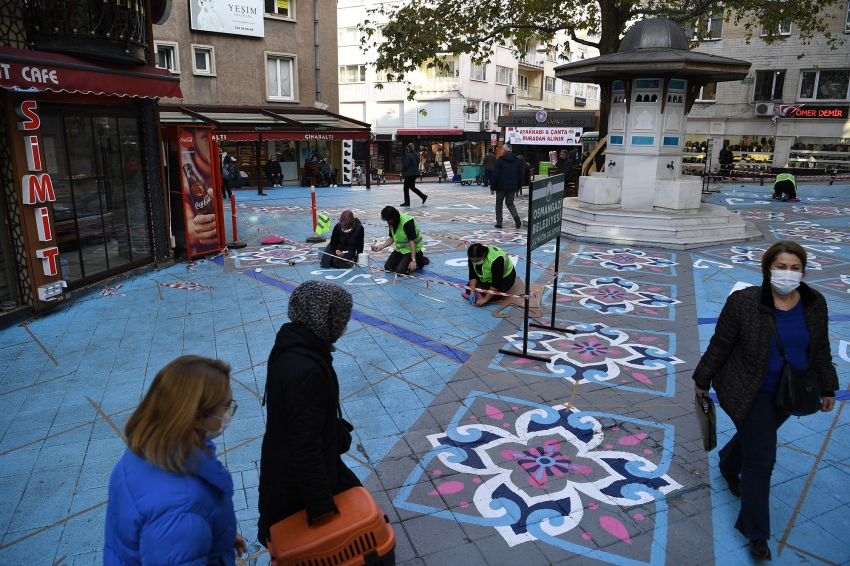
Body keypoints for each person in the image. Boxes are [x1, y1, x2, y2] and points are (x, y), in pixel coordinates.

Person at [692, 240, 837, 562]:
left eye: (795, 268)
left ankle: (729, 464)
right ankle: (756, 532)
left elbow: (822, 350)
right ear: (768, 269)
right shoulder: (743, 302)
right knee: (761, 461)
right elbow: (721, 344)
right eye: (781, 267)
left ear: (803, 271)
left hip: (791, 392)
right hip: (749, 389)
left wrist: (829, 388)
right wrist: (702, 380)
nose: (788, 274)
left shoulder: (815, 303)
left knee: (757, 439)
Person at [104, 356, 246, 565]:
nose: (230, 413)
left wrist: (217, 535)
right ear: (196, 418)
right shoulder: (182, 511)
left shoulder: (144, 450)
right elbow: (178, 529)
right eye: (226, 407)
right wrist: (194, 530)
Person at [258, 281, 361, 545]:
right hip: (299, 484)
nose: (345, 325)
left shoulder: (292, 342)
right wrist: (322, 508)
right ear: (325, 318)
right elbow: (304, 447)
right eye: (342, 318)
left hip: (296, 466)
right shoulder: (307, 372)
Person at [372, 205, 424, 274]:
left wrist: (413, 260)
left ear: (394, 218)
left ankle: (418, 258)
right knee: (388, 267)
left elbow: (412, 241)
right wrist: (380, 247)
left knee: (400, 272)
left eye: (389, 221)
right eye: (387, 221)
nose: (388, 223)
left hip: (412, 250)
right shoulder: (392, 223)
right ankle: (403, 262)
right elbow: (392, 238)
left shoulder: (407, 222)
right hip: (400, 250)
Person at [463, 243, 516, 307]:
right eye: (473, 261)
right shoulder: (473, 257)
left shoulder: (496, 259)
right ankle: (483, 290)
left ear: (483, 254)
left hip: (506, 277)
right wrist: (472, 291)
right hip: (486, 277)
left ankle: (484, 291)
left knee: (494, 297)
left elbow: (496, 283)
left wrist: (485, 299)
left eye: (477, 260)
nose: (475, 262)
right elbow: (472, 275)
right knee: (468, 289)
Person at [490, 143, 523, 229]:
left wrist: (492, 187)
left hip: (500, 187)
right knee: (509, 203)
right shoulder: (517, 161)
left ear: (504, 150)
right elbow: (520, 175)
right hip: (512, 187)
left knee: (499, 204)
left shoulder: (500, 161)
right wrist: (518, 187)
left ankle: (499, 223)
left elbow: (495, 175)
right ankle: (516, 216)